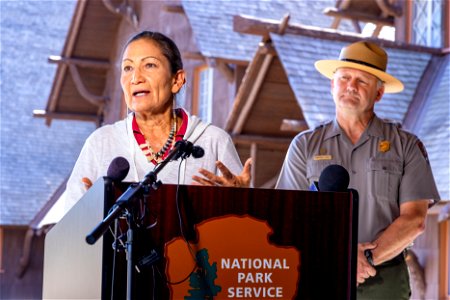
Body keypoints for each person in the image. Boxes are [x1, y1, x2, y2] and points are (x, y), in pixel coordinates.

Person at [275, 41, 440, 299]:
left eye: (362, 81)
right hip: (319, 276)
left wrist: (364, 258)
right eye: (344, 78)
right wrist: (338, 259)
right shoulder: (304, 146)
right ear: (332, 85)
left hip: (383, 282)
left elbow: (414, 220)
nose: (351, 86)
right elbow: (287, 216)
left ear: (378, 93)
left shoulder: (406, 145)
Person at [62, 31, 251, 214]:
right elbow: (66, 230)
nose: (135, 78)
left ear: (177, 80)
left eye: (150, 65)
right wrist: (84, 216)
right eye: (128, 68)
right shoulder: (101, 143)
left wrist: (242, 200)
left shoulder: (214, 141)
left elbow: (245, 228)